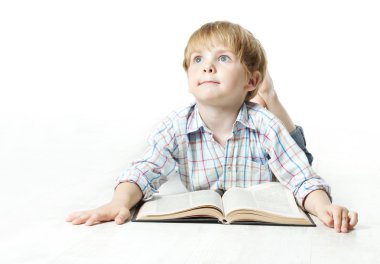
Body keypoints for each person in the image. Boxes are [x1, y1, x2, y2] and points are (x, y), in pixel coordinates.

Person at [66, 21, 358, 232]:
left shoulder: (264, 124)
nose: (207, 66)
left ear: (250, 81)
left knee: (300, 153)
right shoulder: (176, 125)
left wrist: (323, 208)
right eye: (198, 59)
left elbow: (300, 176)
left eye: (222, 58)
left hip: (267, 195)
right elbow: (144, 169)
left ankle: (269, 96)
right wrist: (120, 201)